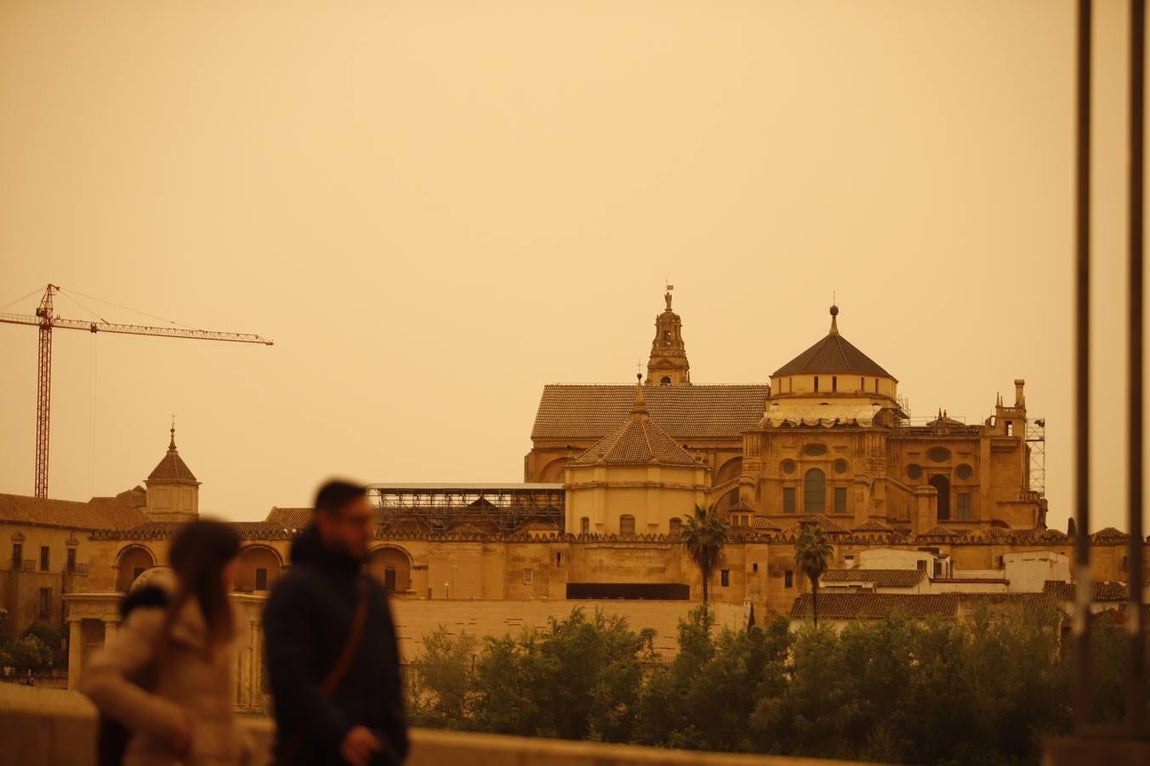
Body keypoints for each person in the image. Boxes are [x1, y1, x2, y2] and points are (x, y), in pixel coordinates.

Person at [81, 519, 252, 766]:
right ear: (214, 564)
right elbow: (99, 680)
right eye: (234, 559)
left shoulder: (219, 622)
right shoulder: (160, 615)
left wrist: (239, 747)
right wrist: (173, 725)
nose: (239, 567)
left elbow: (211, 708)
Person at [264, 479, 408, 766]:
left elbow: (390, 675)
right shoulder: (293, 591)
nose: (368, 531)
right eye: (357, 521)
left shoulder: (372, 592)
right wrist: (343, 734)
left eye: (369, 521)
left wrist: (396, 743)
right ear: (326, 522)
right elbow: (291, 682)